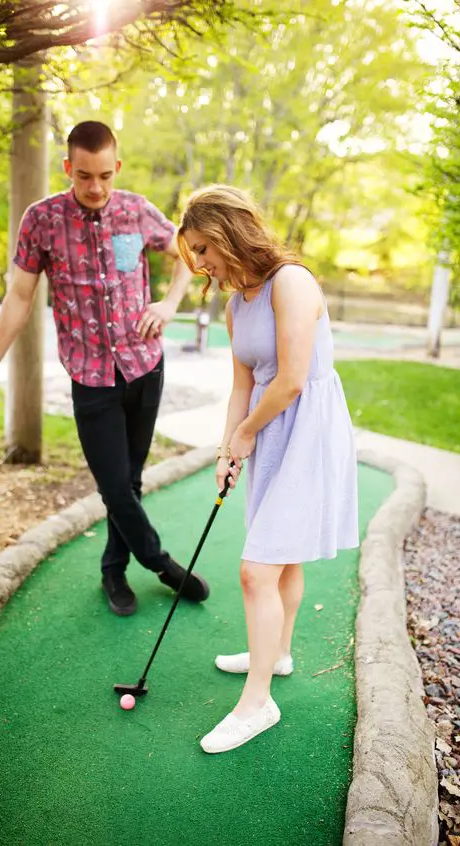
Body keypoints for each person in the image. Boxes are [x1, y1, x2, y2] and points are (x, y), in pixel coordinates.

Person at [0, 120, 210, 617]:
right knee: (114, 484)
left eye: (104, 175)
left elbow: (188, 250)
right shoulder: (42, 220)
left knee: (132, 480)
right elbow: (18, 296)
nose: (95, 187)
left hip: (145, 366)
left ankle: (113, 570)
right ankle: (159, 562)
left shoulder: (137, 210)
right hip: (90, 375)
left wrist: (170, 303)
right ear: (68, 169)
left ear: (116, 167)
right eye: (84, 176)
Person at [177, 185, 359, 754]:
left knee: (257, 570)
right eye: (195, 253)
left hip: (307, 432)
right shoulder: (236, 305)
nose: (201, 263)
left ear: (231, 232)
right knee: (280, 559)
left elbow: (291, 379)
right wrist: (227, 447)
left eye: (205, 248)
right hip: (268, 428)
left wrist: (248, 433)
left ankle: (258, 704)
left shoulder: (292, 282)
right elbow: (242, 384)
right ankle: (275, 653)